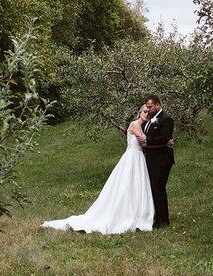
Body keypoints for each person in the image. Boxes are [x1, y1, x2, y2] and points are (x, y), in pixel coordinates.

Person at [43, 101, 157, 236]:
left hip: (139, 158)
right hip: (132, 157)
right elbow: (143, 141)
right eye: (145, 112)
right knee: (127, 184)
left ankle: (139, 211)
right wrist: (163, 142)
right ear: (139, 112)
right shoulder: (135, 125)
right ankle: (124, 213)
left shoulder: (143, 126)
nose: (146, 115)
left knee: (138, 185)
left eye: (149, 113)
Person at [142, 95, 176, 229]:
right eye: (147, 107)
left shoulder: (166, 119)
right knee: (153, 189)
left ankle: (163, 219)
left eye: (150, 107)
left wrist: (146, 141)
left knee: (158, 189)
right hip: (151, 160)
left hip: (162, 161)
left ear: (157, 105)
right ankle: (155, 216)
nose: (148, 109)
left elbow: (164, 137)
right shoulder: (150, 120)